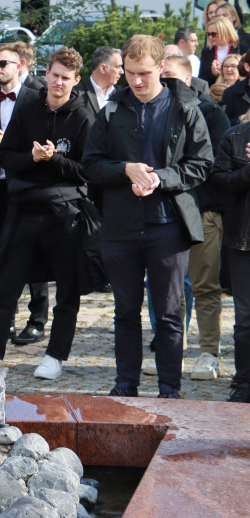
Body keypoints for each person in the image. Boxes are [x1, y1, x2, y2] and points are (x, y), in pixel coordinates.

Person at [82, 34, 213, 398]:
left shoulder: (186, 107)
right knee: (125, 311)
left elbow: (203, 164)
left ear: (161, 68)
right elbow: (90, 165)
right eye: (129, 73)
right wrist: (125, 169)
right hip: (120, 227)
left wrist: (161, 178)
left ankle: (170, 389)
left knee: (169, 314)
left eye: (143, 73)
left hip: (169, 226)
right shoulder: (110, 109)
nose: (136, 82)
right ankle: (126, 384)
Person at [0, 48, 96, 380]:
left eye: (66, 77)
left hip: (66, 214)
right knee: (4, 284)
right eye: (55, 75)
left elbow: (87, 170)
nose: (59, 82)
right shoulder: (28, 110)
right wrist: (34, 160)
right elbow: (7, 155)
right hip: (23, 209)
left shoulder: (84, 118)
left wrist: (53, 160)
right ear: (45, 74)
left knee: (67, 289)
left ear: (76, 80)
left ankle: (55, 356)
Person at [160, 54, 230, 381]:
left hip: (203, 210)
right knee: (170, 287)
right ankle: (171, 348)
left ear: (187, 79)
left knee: (204, 285)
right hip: (167, 211)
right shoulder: (158, 110)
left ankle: (208, 352)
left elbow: (211, 166)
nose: (164, 84)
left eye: (170, 78)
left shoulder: (212, 113)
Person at [0, 43, 45, 348]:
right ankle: (1, 321)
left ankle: (37, 321)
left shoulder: (36, 99)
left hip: (30, 186)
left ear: (19, 65)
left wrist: (9, 145)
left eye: (3, 63)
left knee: (35, 254)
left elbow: (44, 142)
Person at [210, 120, 250, 403]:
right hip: (243, 240)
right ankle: (245, 380)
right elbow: (219, 184)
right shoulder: (234, 136)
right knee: (245, 318)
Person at [76, 46, 123, 116]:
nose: (122, 72)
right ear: (103, 68)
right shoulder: (76, 95)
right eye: (117, 67)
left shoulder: (122, 95)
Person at [199, 17, 241, 85]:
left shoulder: (240, 48)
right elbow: (201, 80)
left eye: (213, 34)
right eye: (208, 34)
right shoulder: (206, 52)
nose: (210, 37)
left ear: (224, 32)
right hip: (214, 91)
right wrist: (214, 75)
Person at [221, 51, 250, 124]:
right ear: (247, 67)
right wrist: (242, 119)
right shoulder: (230, 93)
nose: (229, 69)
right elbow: (224, 125)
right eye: (226, 66)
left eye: (233, 66)